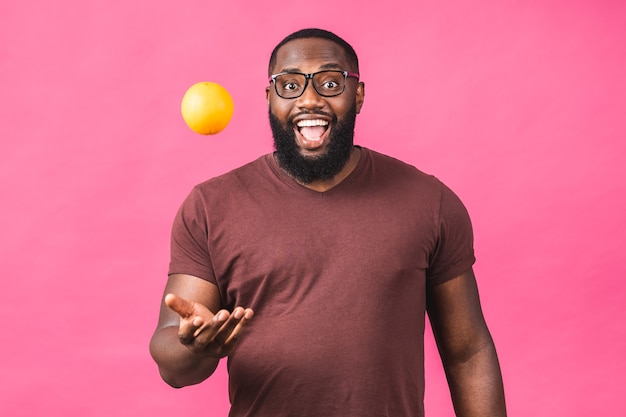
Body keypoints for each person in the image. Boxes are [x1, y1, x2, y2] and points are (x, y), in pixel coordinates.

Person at [150, 28, 507, 417]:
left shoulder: (431, 202)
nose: (309, 99)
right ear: (270, 99)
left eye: (330, 82)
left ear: (358, 95)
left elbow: (468, 352)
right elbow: (172, 364)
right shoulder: (211, 206)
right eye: (289, 85)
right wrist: (194, 347)